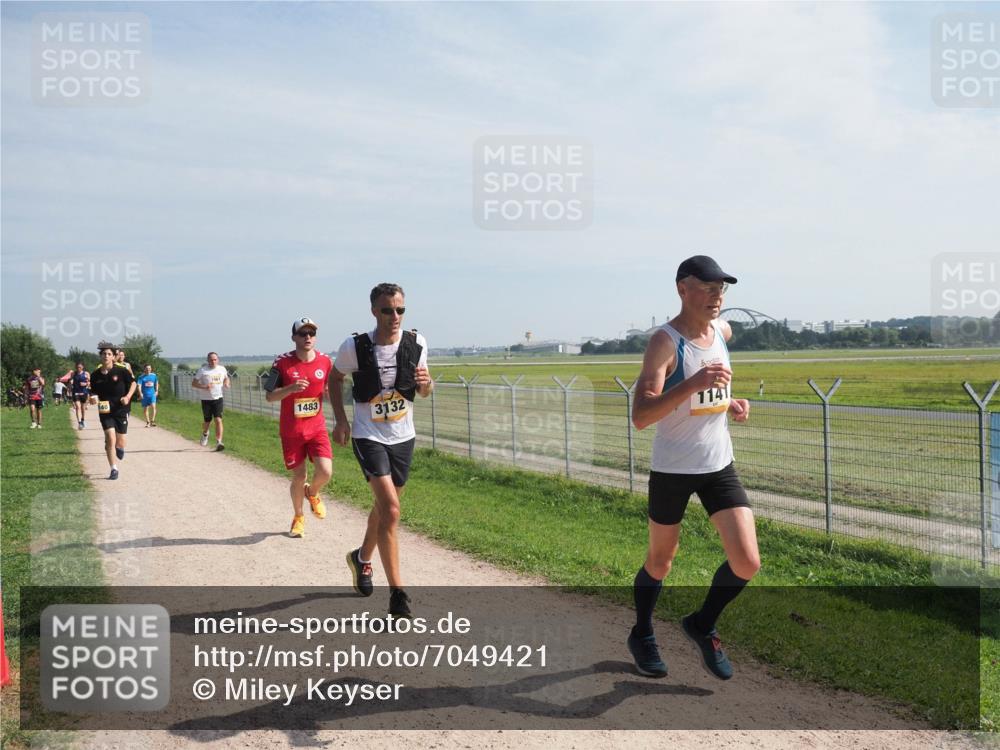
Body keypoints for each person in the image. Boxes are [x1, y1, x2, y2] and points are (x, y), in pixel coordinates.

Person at [627, 255, 760, 681]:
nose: (717, 296)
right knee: (661, 561)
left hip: (718, 464)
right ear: (683, 289)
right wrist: (692, 385)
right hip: (672, 470)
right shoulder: (664, 343)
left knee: (747, 562)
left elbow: (711, 395)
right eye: (707, 287)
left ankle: (702, 625)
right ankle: (642, 633)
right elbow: (642, 415)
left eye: (721, 288)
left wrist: (730, 402)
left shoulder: (723, 332)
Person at [331, 283, 432, 619]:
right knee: (390, 510)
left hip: (403, 435)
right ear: (374, 311)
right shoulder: (355, 346)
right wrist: (342, 421)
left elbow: (426, 390)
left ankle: (361, 558)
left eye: (400, 309)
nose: (395, 316)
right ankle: (398, 595)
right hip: (368, 433)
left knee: (386, 508)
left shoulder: (416, 343)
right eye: (387, 310)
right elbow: (335, 379)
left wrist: (426, 383)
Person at [262, 317, 334, 538]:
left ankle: (312, 493)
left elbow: (330, 390)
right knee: (298, 476)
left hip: (316, 428)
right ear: (294, 337)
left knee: (325, 471)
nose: (308, 337)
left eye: (311, 333)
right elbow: (270, 396)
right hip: (292, 430)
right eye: (303, 334)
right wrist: (291, 388)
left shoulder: (325, 361)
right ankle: (298, 517)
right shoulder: (282, 363)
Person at [89, 342, 137, 480]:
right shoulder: (95, 375)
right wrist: (93, 398)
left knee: (120, 442)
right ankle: (113, 469)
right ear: (100, 356)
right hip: (105, 410)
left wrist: (128, 397)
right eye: (104, 354)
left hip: (121, 409)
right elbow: (93, 392)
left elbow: (133, 383)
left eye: (109, 354)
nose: (106, 356)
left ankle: (119, 447)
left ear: (113, 357)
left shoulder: (122, 371)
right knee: (110, 437)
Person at [192, 352, 230, 451]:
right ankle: (205, 434)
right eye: (211, 360)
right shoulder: (203, 370)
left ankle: (219, 442)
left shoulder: (222, 369)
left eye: (215, 359)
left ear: (218, 360)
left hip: (218, 398)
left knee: (218, 420)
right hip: (206, 399)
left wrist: (226, 383)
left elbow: (226, 378)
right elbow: (194, 383)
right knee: (207, 421)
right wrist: (204, 387)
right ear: (207, 360)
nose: (213, 361)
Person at [71, 362, 91, 429]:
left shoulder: (86, 373)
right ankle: (79, 423)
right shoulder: (73, 373)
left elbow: (90, 382)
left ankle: (82, 420)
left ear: (82, 367)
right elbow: (70, 381)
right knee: (77, 407)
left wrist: (85, 384)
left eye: (79, 367)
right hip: (76, 392)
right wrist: (70, 382)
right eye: (77, 367)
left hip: (84, 392)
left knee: (82, 408)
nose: (78, 368)